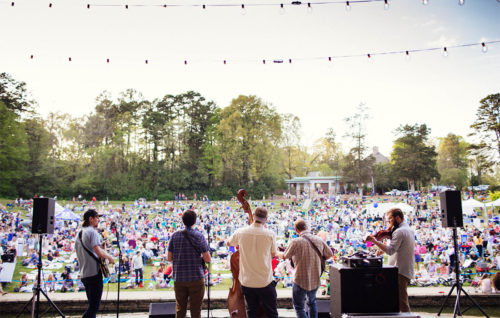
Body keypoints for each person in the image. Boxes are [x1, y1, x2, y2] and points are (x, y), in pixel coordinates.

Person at [227, 207, 278, 318]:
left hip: (247, 281)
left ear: (253, 215)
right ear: (266, 219)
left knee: (251, 312)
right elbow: (273, 254)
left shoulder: (240, 232)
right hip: (265, 281)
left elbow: (229, 243)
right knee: (272, 313)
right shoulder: (270, 234)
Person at [281, 219, 333, 318]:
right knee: (312, 303)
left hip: (300, 279)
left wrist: (278, 253)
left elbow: (285, 255)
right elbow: (330, 254)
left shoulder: (295, 241)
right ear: (306, 227)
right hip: (315, 278)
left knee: (299, 307)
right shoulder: (319, 240)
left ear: (296, 230)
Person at [366, 208, 415, 312]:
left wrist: (375, 241)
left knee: (402, 303)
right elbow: (398, 247)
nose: (389, 223)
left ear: (397, 218)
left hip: (400, 271)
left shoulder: (399, 231)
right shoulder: (407, 229)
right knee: (397, 301)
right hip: (404, 269)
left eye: (390, 220)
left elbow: (391, 250)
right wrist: (382, 249)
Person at [167, 210, 211, 318]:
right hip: (196, 277)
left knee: (180, 310)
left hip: (179, 278)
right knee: (196, 310)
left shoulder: (174, 235)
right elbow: (207, 259)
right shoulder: (199, 236)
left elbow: (169, 258)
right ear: (195, 221)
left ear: (182, 221)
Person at [75, 209, 115, 318]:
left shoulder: (79, 232)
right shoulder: (92, 231)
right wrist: (110, 257)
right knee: (94, 307)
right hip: (93, 273)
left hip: (84, 273)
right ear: (90, 219)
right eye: (97, 218)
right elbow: (97, 251)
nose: (98, 220)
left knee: (92, 305)